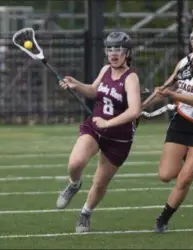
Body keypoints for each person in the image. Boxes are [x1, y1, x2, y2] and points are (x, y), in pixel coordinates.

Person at [143, 12, 193, 233]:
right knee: (165, 175)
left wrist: (172, 94)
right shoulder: (185, 61)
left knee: (185, 178)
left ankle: (163, 219)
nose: (192, 42)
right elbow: (166, 86)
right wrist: (139, 108)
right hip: (181, 122)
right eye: (192, 37)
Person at [55, 31, 141, 233]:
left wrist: (108, 124)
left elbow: (135, 111)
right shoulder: (105, 70)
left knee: (100, 183)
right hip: (95, 126)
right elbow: (94, 91)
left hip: (119, 137)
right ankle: (74, 184)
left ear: (127, 53)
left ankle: (85, 213)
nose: (113, 53)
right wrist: (76, 85)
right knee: (75, 163)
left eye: (118, 49)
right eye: (110, 48)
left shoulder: (131, 78)